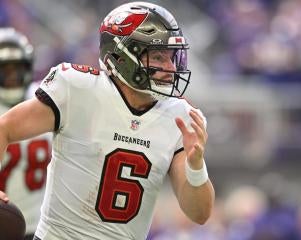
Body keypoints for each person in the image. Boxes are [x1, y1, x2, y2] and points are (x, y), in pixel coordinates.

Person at [0, 2, 214, 239]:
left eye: (172, 57)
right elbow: (4, 128)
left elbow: (200, 214)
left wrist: (196, 167)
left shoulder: (180, 116)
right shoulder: (78, 89)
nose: (170, 67)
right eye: (158, 57)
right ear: (122, 56)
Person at [0, 27, 51, 240]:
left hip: (42, 225)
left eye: (17, 69)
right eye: (5, 70)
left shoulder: (48, 101)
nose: (12, 77)